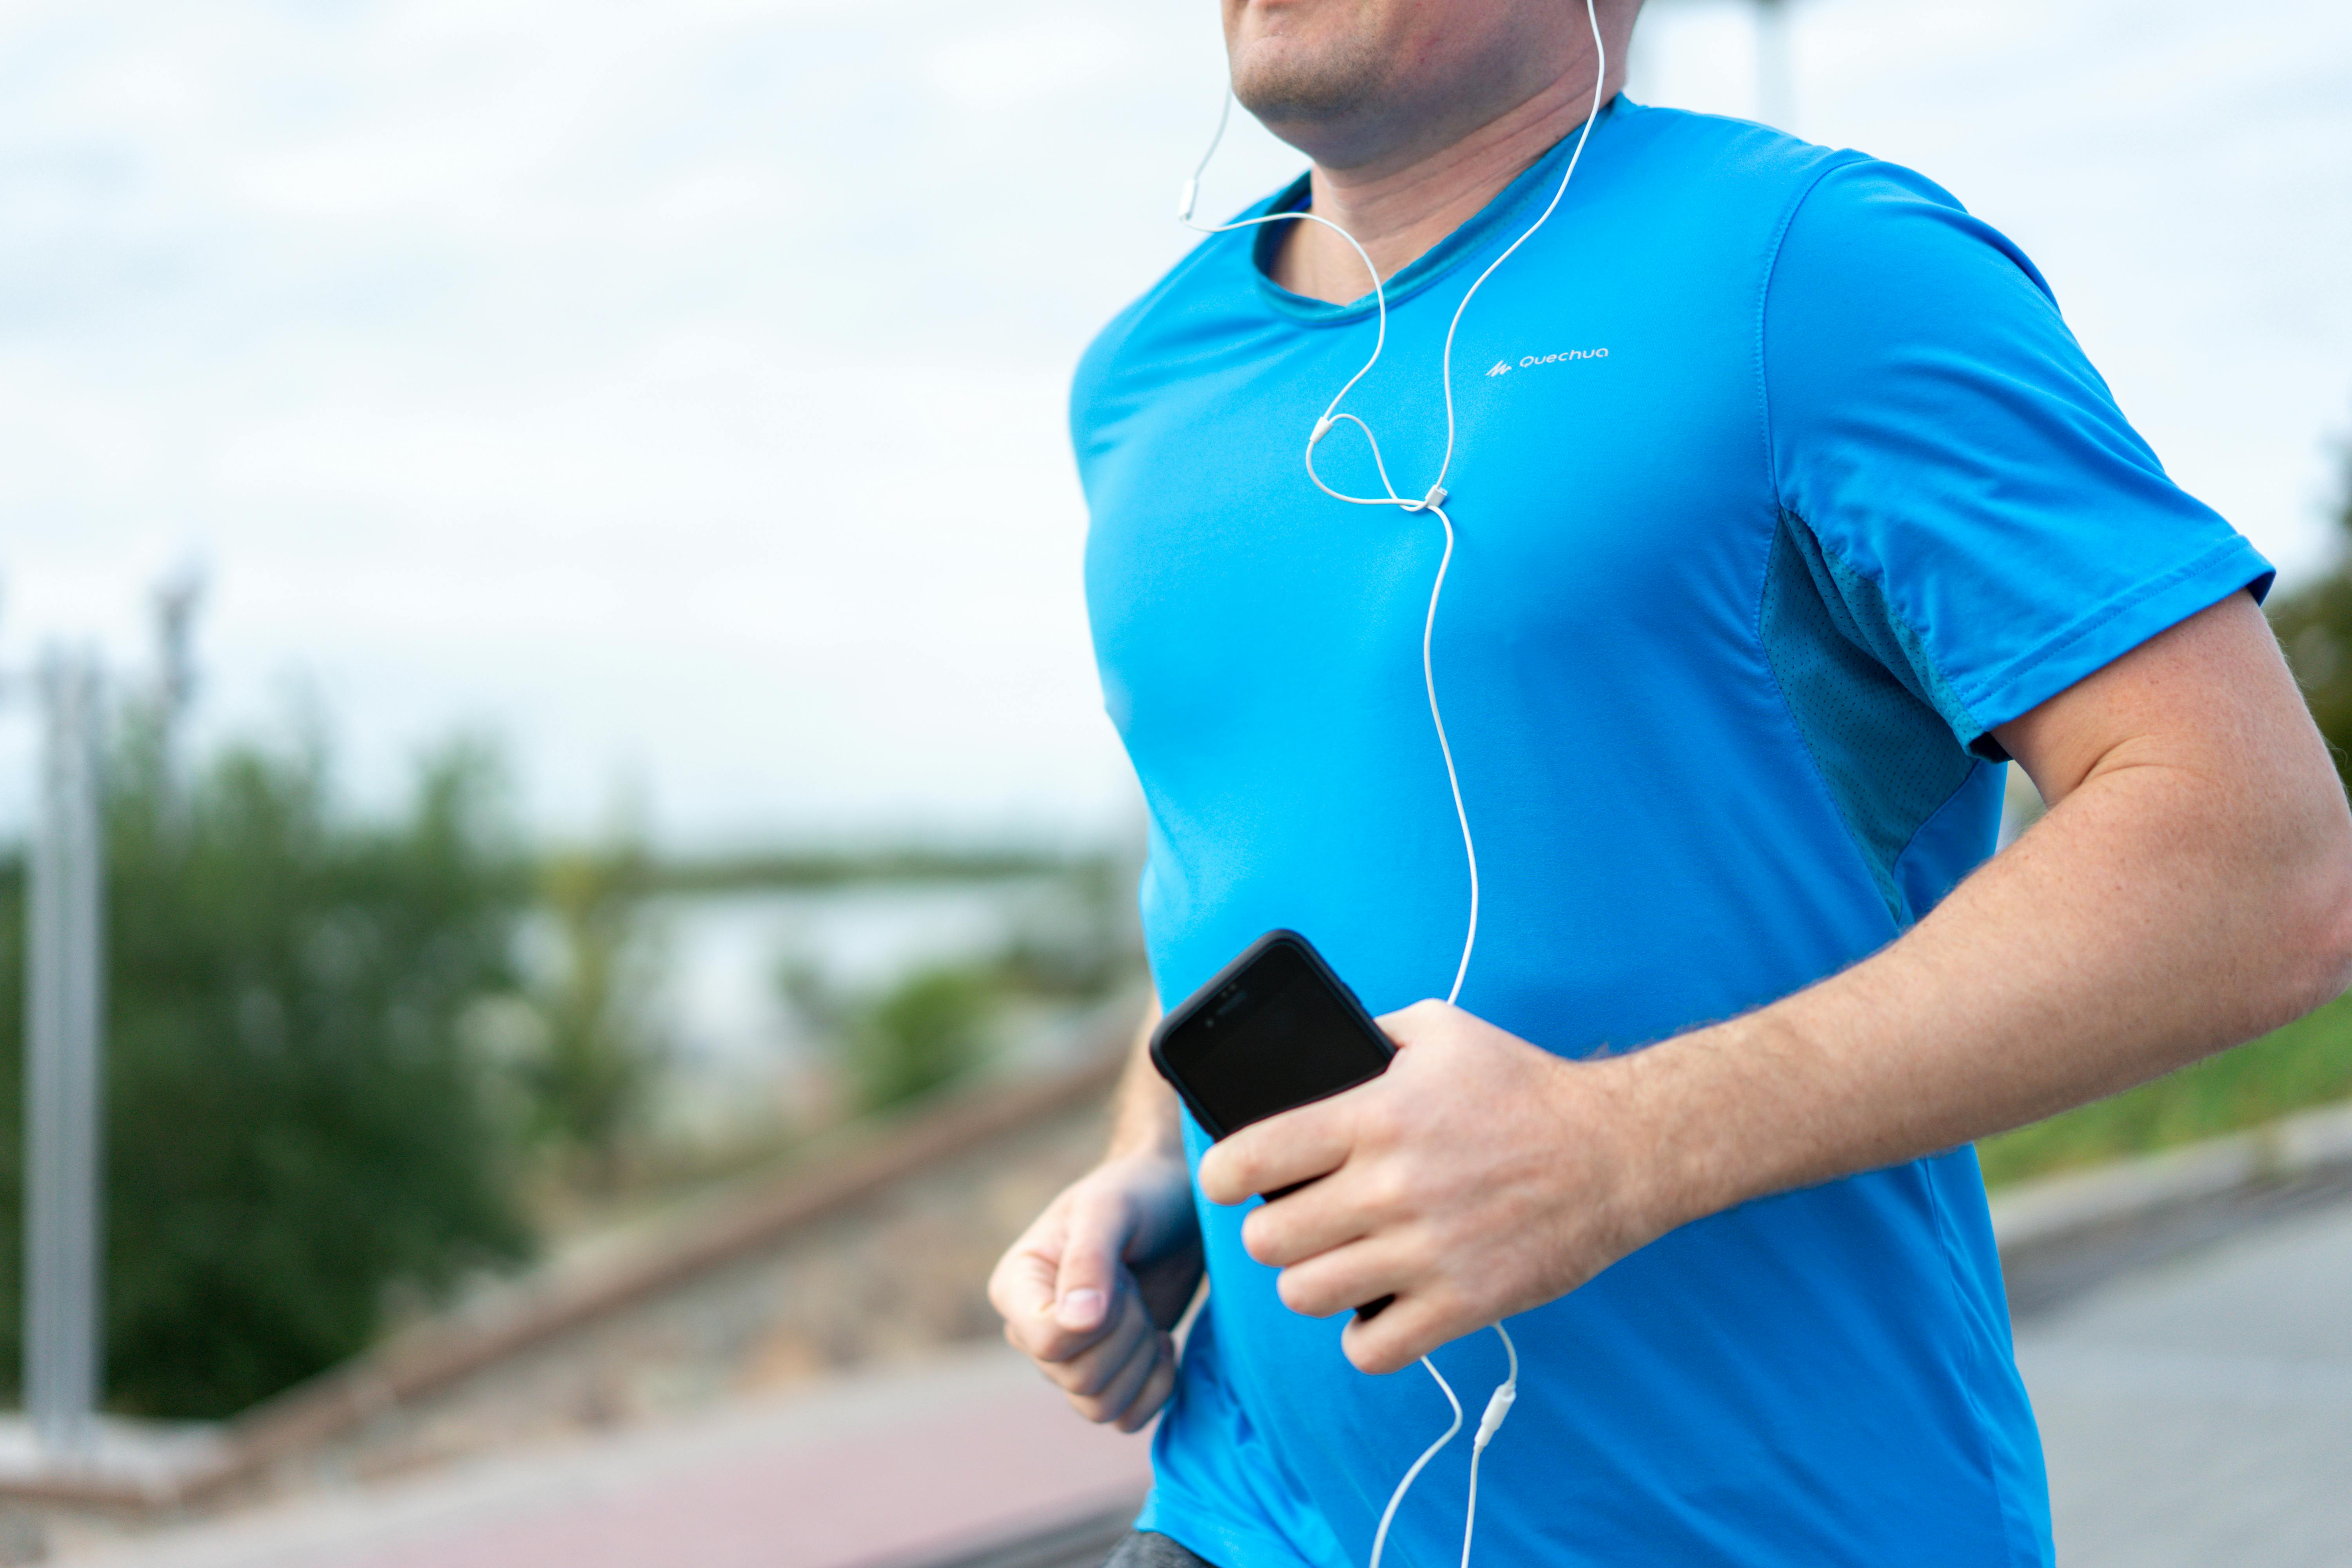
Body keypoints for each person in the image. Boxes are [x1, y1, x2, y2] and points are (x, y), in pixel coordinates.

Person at [989, 0, 2352, 1563]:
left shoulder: (1826, 267)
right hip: (1239, 1517)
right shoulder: (1141, 385)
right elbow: (1226, 866)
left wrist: (1618, 1142)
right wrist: (1147, 1169)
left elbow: (2263, 858)